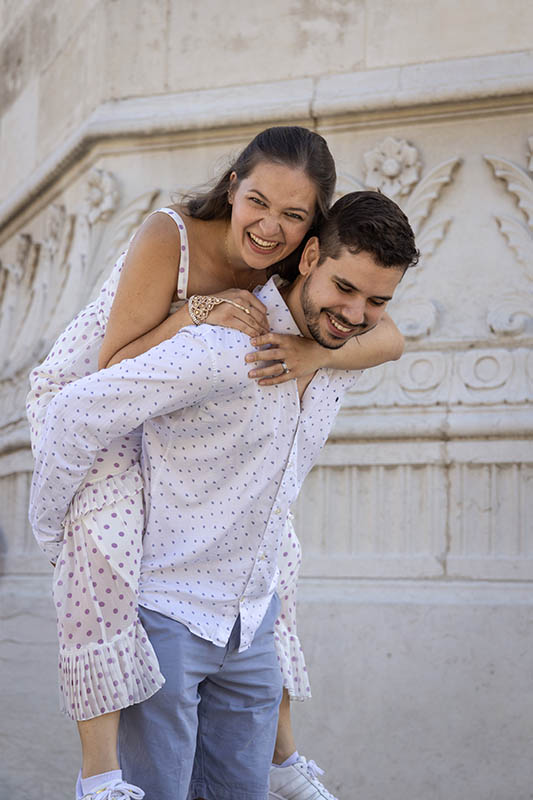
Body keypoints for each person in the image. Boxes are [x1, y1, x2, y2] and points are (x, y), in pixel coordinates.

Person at [26, 128, 405, 800]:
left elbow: (388, 336)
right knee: (104, 542)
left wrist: (317, 352)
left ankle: (285, 763)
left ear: (309, 232)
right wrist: (56, 526)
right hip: (102, 378)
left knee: (276, 546)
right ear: (233, 188)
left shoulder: (312, 310)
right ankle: (100, 778)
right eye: (259, 203)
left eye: (293, 215)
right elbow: (107, 374)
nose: (270, 227)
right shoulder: (172, 244)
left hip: (236, 606)